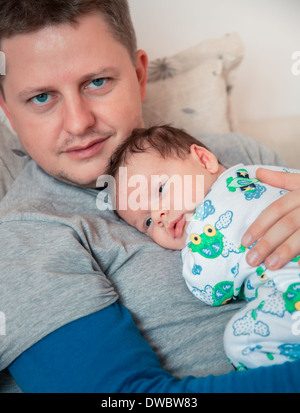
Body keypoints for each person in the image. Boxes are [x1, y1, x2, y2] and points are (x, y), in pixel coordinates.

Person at [0, 0, 300, 393]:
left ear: (140, 75)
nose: (78, 122)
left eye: (96, 82)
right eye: (41, 97)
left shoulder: (240, 157)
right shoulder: (25, 240)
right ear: (7, 111)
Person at [106, 124, 300, 371]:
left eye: (161, 189)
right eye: (147, 222)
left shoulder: (204, 229)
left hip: (291, 287)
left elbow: (211, 290)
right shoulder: (257, 172)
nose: (159, 215)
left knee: (242, 341)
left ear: (203, 159)